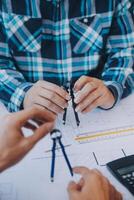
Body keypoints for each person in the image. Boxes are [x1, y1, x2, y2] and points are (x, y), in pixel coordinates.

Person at [0, 0, 133, 115]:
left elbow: (125, 52)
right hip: (28, 118)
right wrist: (24, 95)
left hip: (93, 113)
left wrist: (110, 90)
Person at [0, 107, 122, 200]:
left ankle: (65, 172)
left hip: (57, 142)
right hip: (55, 143)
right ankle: (58, 174)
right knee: (55, 157)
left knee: (60, 154)